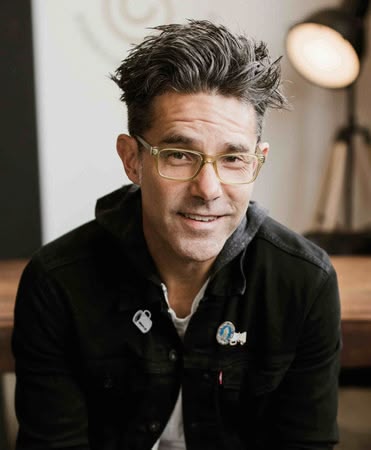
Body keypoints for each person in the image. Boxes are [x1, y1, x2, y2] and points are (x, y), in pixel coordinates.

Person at [12, 19, 341, 450]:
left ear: (258, 161)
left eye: (233, 159)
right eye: (179, 154)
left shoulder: (303, 282)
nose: (208, 189)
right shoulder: (58, 283)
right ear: (132, 160)